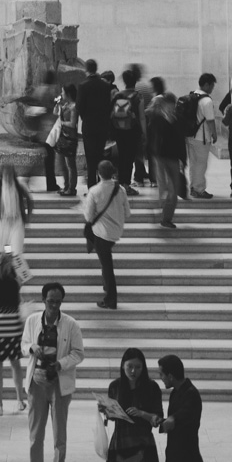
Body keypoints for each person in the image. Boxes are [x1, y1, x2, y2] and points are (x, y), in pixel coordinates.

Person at [17, 281, 85, 462]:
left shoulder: (71, 324)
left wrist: (60, 364)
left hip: (58, 385)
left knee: (59, 437)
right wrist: (33, 348)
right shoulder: (32, 320)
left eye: (57, 302)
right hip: (37, 383)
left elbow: (78, 353)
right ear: (44, 300)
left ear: (61, 301)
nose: (54, 306)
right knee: (35, 434)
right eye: (50, 301)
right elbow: (23, 344)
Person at [101, 347, 164, 462]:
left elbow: (158, 418)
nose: (133, 371)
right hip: (120, 443)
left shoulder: (152, 387)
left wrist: (142, 413)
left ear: (144, 367)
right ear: (123, 366)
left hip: (143, 445)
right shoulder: (115, 386)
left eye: (138, 367)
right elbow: (111, 416)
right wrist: (107, 412)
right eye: (129, 366)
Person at [0, 250, 28, 415]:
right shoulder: (14, 283)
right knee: (16, 365)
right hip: (13, 330)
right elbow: (19, 280)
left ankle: (0, 405)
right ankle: (20, 400)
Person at [83, 159, 130, 310]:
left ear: (98, 174)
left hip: (102, 233)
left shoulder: (95, 191)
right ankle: (105, 285)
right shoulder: (121, 189)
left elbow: (89, 217)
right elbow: (127, 213)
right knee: (105, 260)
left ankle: (111, 299)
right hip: (116, 231)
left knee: (107, 265)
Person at [157, 354, 207, 462]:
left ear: (171, 376)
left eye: (162, 374)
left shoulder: (191, 395)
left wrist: (169, 420)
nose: (161, 378)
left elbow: (180, 417)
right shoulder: (177, 392)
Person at [145, 92, 186, 228]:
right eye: (168, 105)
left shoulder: (178, 119)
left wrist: (183, 159)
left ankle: (166, 218)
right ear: (163, 105)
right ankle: (159, 207)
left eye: (172, 105)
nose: (170, 108)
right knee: (162, 186)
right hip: (160, 157)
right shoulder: (157, 119)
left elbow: (181, 141)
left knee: (173, 190)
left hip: (173, 158)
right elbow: (151, 139)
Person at [77, 58, 114, 188]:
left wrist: (85, 118)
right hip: (102, 125)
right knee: (100, 156)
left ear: (86, 69)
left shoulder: (83, 86)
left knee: (90, 158)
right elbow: (109, 106)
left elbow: (80, 107)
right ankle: (102, 185)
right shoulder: (105, 86)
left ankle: (92, 186)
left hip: (89, 125)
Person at [0, 163, 34, 255]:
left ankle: (15, 266)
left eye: (10, 174)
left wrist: (28, 217)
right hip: (2, 224)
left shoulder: (19, 187)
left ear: (13, 174)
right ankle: (9, 266)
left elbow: (30, 201)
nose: (8, 177)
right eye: (6, 174)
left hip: (16, 222)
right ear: (2, 175)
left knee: (16, 252)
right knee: (6, 252)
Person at [111, 69, 144, 195]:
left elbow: (111, 113)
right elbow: (141, 117)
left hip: (119, 130)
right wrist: (144, 133)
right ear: (135, 81)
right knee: (129, 158)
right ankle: (126, 185)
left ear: (124, 81)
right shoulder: (138, 96)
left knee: (121, 157)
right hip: (132, 131)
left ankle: (120, 183)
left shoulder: (117, 95)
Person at [187, 74, 218, 199]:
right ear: (206, 84)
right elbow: (210, 120)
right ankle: (199, 189)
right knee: (201, 164)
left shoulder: (192, 95)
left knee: (193, 163)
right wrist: (214, 134)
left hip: (190, 136)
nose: (212, 88)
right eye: (211, 85)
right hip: (201, 137)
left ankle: (193, 187)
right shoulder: (207, 101)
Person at [55, 84, 79, 196]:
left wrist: (62, 123)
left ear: (68, 94)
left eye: (63, 92)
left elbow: (73, 124)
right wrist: (58, 105)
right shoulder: (66, 105)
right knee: (63, 164)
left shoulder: (74, 107)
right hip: (63, 137)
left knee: (70, 164)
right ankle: (66, 186)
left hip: (70, 138)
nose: (61, 94)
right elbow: (56, 113)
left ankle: (71, 188)